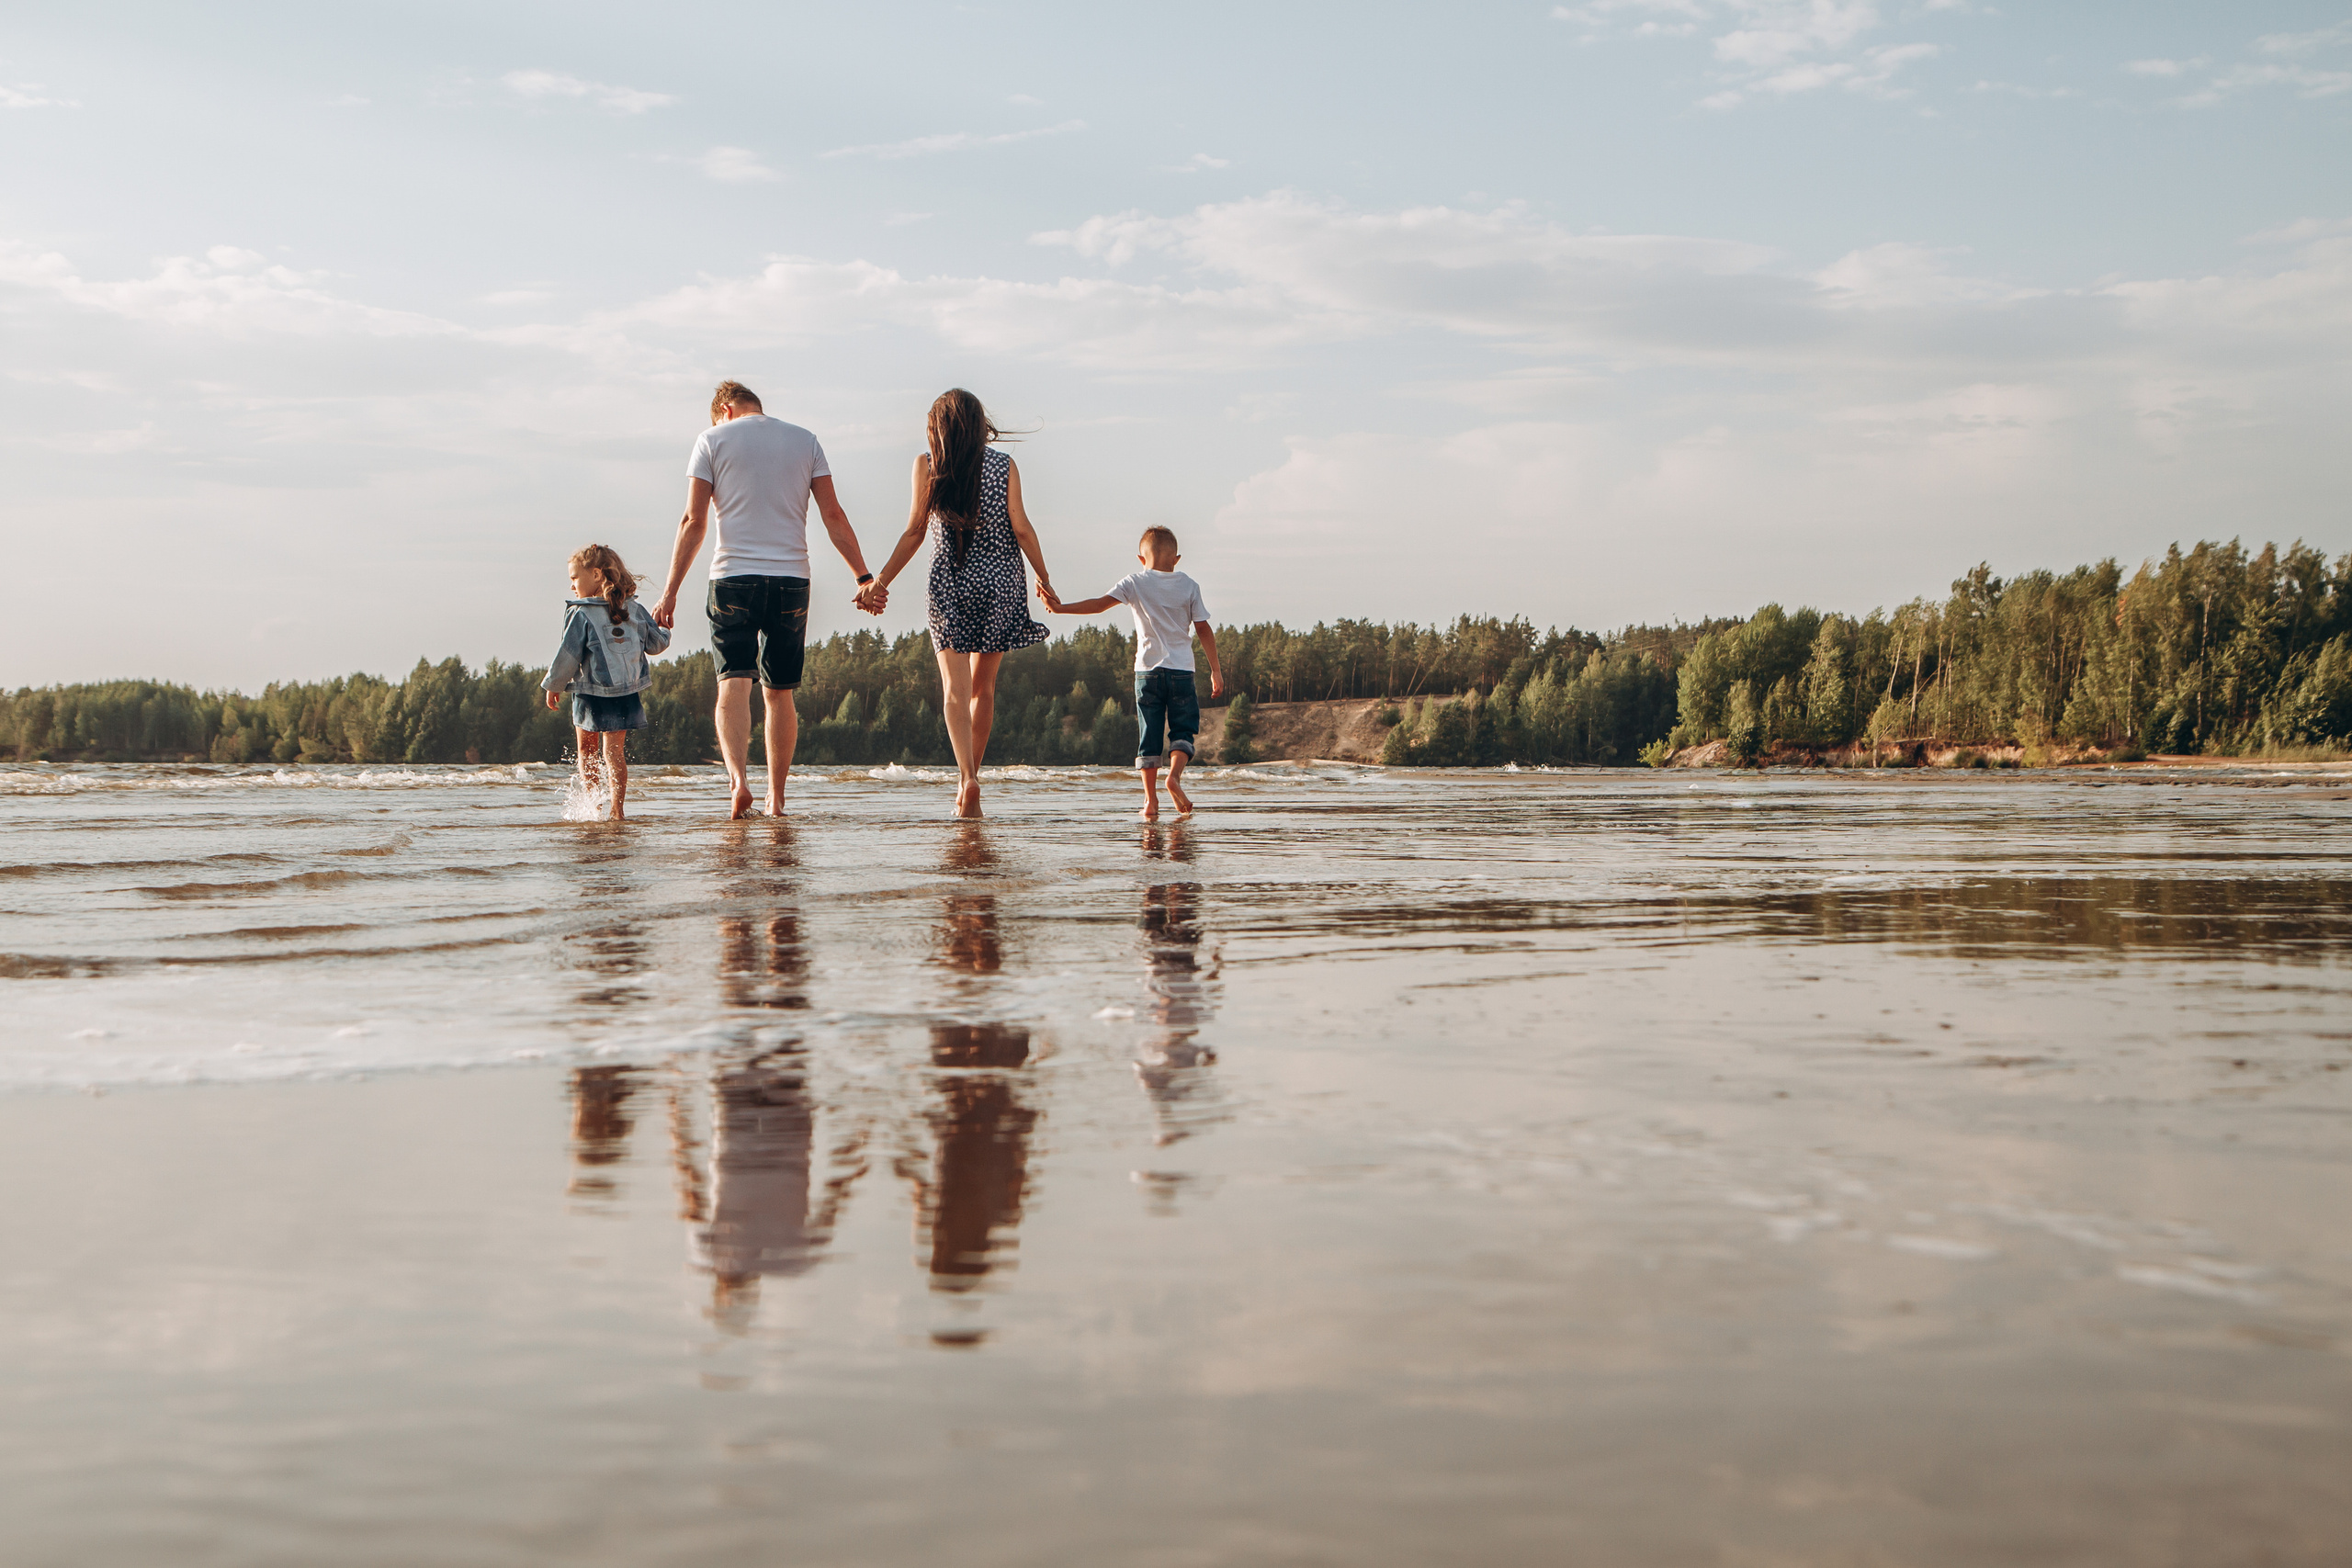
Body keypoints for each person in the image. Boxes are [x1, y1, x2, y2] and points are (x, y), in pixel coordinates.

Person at [651, 381, 880, 820]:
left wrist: (671, 591)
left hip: (732, 578)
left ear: (725, 409)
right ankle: (777, 800)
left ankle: (738, 782)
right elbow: (833, 514)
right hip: (791, 580)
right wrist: (863, 576)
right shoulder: (805, 440)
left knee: (732, 684)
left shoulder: (711, 440)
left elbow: (693, 521)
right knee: (780, 694)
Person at [860, 389, 1057, 819]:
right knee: (983, 688)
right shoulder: (1003, 466)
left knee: (955, 688)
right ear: (978, 423)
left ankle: (965, 775)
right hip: (1000, 583)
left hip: (949, 584)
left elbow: (914, 532)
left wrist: (880, 581)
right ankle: (972, 780)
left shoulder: (928, 466)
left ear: (938, 428)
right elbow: (1022, 529)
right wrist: (1045, 579)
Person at [1043, 526, 1225, 820]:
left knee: (1149, 736)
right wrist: (1216, 670)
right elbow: (1203, 628)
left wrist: (1061, 608)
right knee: (1183, 731)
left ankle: (1150, 802)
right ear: (1176, 559)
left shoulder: (1134, 582)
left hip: (1147, 674)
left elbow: (1100, 605)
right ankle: (1174, 777)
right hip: (1181, 672)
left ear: (1141, 558)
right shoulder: (1189, 585)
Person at [543, 543, 670, 821]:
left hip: (590, 692)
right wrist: (664, 626)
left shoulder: (581, 612)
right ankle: (617, 811)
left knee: (586, 751)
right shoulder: (634, 609)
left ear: (597, 575)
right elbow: (657, 644)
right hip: (626, 693)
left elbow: (569, 654)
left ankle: (593, 808)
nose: (572, 585)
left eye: (575, 578)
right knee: (614, 752)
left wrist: (554, 685)